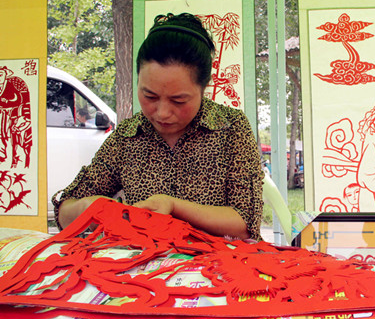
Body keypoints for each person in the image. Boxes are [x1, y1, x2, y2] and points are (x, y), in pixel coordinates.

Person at [53, 13, 264, 241]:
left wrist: (172, 205)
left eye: (178, 100)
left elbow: (244, 222)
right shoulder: (127, 137)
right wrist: (86, 207)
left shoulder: (230, 128)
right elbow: (64, 213)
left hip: (219, 267)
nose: (162, 113)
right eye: (150, 96)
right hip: (146, 268)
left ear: (204, 88)